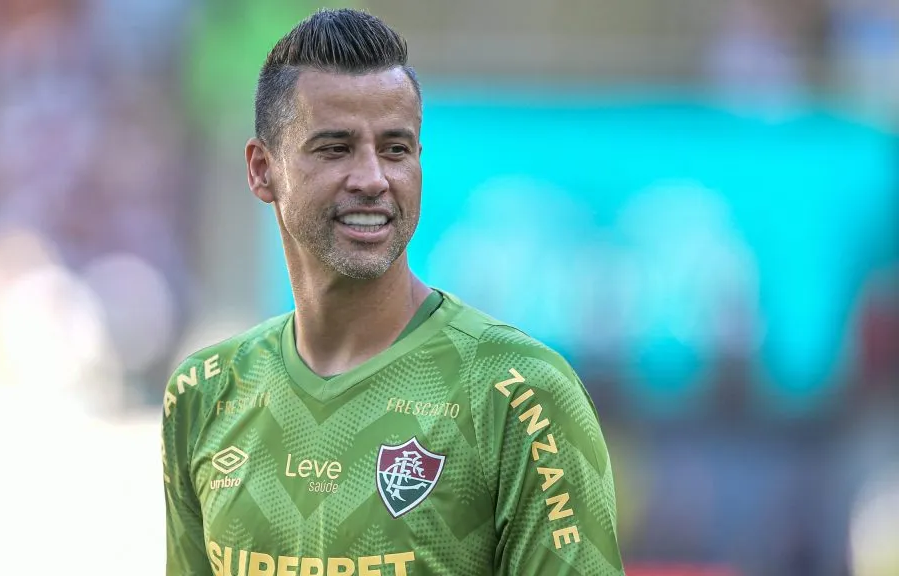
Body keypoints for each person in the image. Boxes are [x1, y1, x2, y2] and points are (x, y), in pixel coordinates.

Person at [162, 8, 624, 575]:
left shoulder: (519, 394)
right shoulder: (204, 395)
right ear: (262, 170)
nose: (373, 178)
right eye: (335, 148)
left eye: (396, 149)